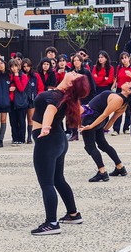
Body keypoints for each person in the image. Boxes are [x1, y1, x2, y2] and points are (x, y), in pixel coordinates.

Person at [30, 71, 90, 235]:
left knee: (47, 184)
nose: (74, 72)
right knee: (58, 179)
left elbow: (50, 110)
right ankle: (73, 214)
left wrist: (45, 127)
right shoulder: (66, 97)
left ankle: (52, 223)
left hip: (48, 141)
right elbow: (80, 110)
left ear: (70, 84)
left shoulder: (56, 96)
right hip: (59, 141)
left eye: (75, 75)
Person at [79, 81, 131, 182]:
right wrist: (103, 129)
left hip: (92, 119)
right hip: (97, 120)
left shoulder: (118, 99)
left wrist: (91, 126)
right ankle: (120, 167)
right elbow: (112, 119)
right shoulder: (123, 103)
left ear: (129, 91)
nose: (126, 82)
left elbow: (105, 115)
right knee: (103, 144)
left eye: (129, 83)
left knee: (90, 147)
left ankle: (102, 172)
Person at [111, 52, 131, 136]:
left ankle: (126, 128)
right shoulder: (119, 67)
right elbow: (116, 78)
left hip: (129, 91)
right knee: (118, 109)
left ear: (129, 58)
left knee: (128, 110)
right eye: (122, 58)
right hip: (120, 90)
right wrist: (113, 86)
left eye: (125, 58)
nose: (124, 60)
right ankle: (116, 129)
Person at [8, 58, 29, 145]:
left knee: (21, 121)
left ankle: (22, 138)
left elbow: (21, 88)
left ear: (19, 66)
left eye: (15, 66)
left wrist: (16, 77)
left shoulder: (23, 76)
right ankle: (15, 138)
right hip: (11, 101)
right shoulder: (9, 76)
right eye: (12, 67)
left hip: (21, 101)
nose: (14, 68)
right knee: (13, 121)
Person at [22, 58, 42, 144]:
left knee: (30, 119)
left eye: (28, 66)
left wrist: (37, 97)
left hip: (32, 99)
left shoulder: (36, 76)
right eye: (24, 66)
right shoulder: (21, 75)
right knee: (22, 119)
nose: (26, 68)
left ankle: (29, 137)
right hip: (22, 99)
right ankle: (21, 136)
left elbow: (40, 87)